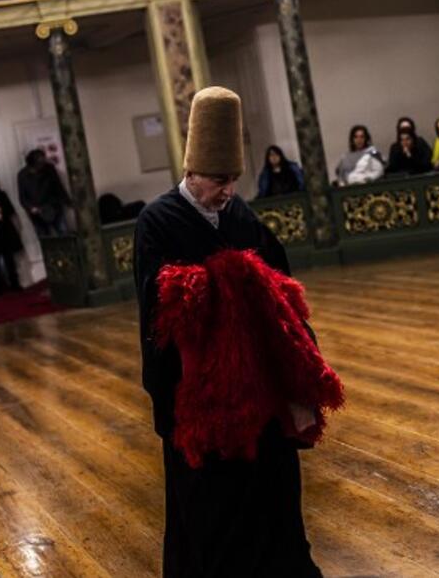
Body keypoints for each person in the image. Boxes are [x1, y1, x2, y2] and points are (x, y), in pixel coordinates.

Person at [135, 86, 327, 577]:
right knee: (208, 512)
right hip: (198, 400)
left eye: (234, 180)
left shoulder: (242, 217)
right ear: (191, 173)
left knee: (274, 499)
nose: (228, 191)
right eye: (219, 180)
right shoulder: (158, 221)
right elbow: (157, 309)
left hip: (256, 397)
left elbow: (281, 297)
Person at [17, 149, 71, 236]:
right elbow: (22, 197)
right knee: (45, 238)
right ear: (32, 164)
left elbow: (58, 186)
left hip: (53, 206)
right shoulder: (22, 175)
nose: (42, 165)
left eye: (43, 162)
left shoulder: (49, 168)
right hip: (37, 212)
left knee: (64, 233)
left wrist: (67, 201)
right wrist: (30, 208)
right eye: (40, 164)